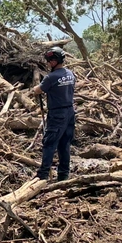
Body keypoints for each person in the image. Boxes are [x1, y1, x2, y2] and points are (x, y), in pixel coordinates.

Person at [32, 47, 75, 181]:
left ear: (56, 60)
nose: (49, 62)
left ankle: (43, 174)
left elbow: (38, 90)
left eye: (51, 60)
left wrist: (35, 87)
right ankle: (63, 175)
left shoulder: (51, 77)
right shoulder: (71, 74)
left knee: (49, 143)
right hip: (70, 112)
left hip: (57, 114)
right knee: (64, 144)